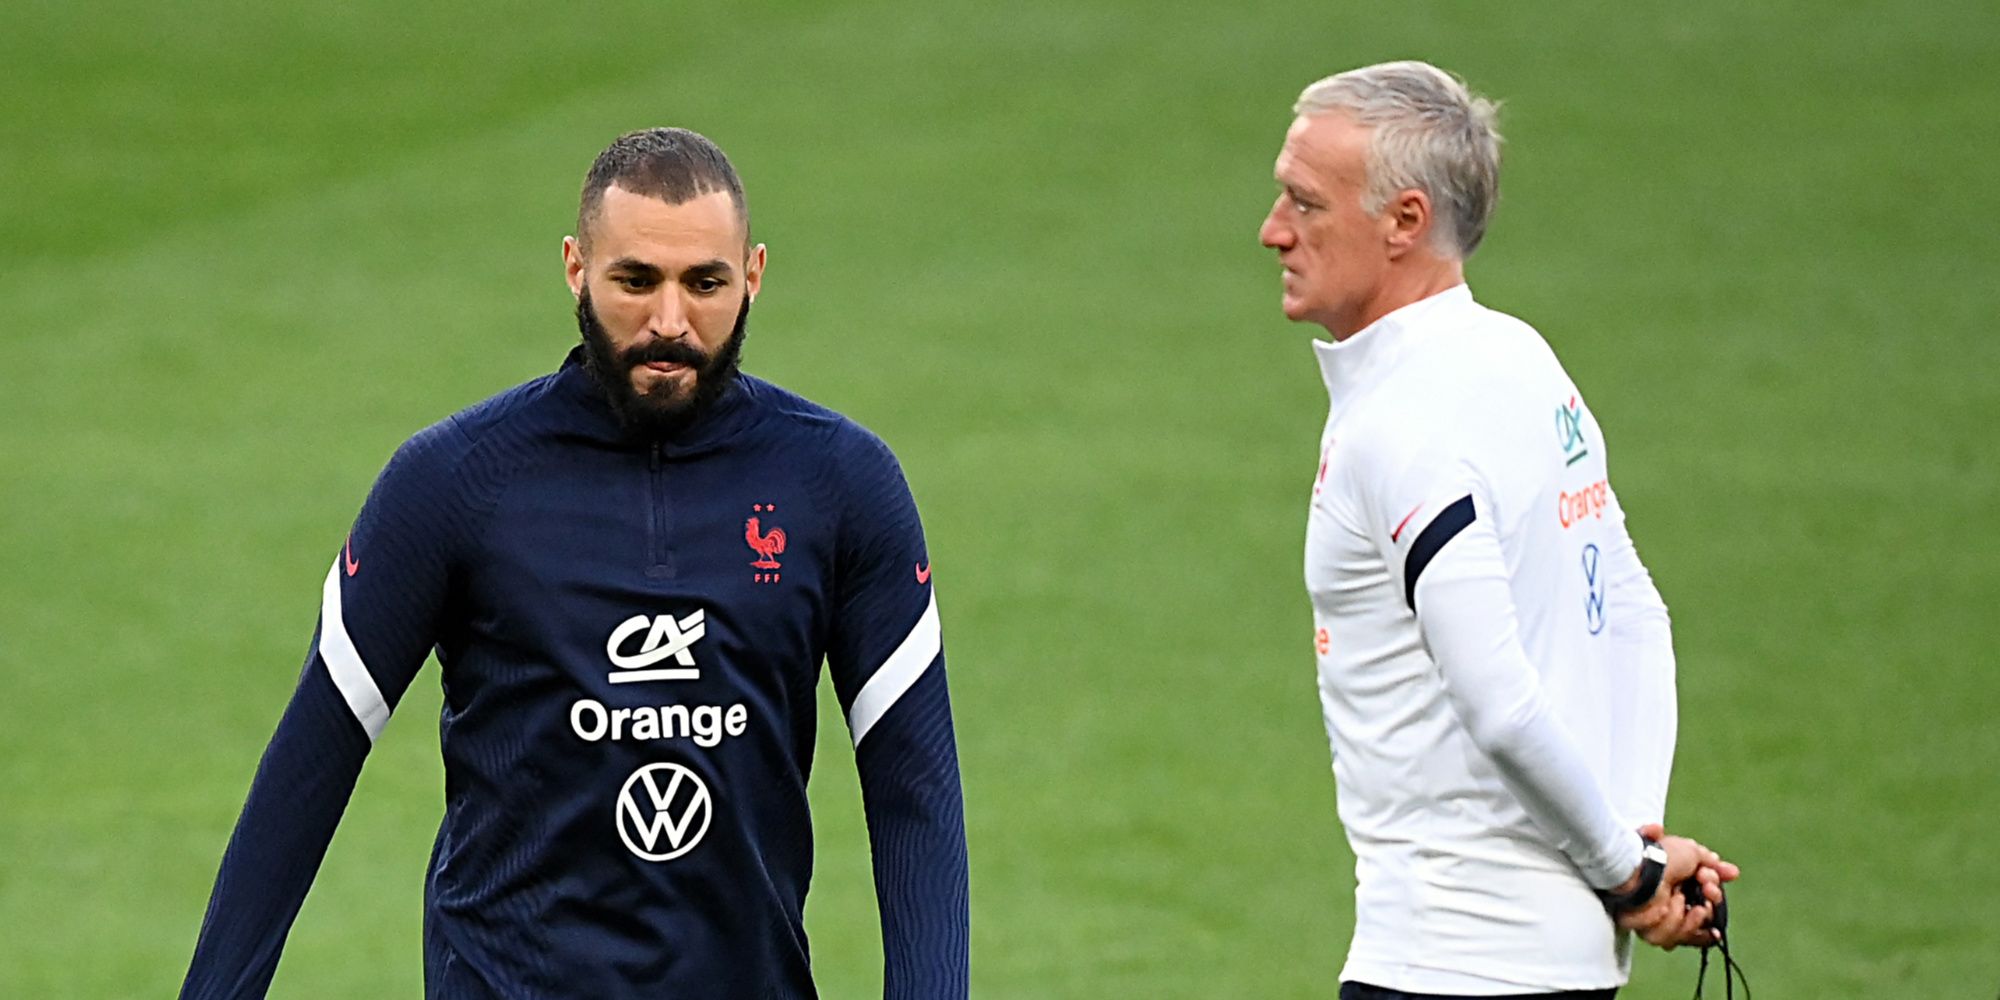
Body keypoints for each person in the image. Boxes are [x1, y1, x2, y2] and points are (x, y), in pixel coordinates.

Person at [180, 128, 968, 999]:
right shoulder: (455, 481)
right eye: (636, 280)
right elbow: (308, 771)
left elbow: (915, 790)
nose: (669, 322)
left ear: (752, 276)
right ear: (575, 268)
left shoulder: (840, 484)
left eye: (704, 283)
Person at [1258, 61, 1739, 998]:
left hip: (1443, 966)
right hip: (1565, 968)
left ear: (1403, 221)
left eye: (1305, 202)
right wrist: (1634, 840)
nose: (1273, 229)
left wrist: (1629, 871)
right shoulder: (1522, 361)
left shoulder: (1401, 423)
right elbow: (1635, 612)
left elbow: (1500, 702)